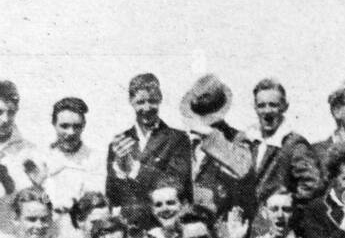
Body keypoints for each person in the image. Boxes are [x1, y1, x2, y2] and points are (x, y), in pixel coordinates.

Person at [105, 73, 192, 214]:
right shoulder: (120, 142)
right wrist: (119, 172)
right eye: (140, 102)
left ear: (160, 99)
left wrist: (133, 169)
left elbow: (176, 185)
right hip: (132, 226)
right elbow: (113, 197)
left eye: (152, 101)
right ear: (131, 101)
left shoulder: (178, 139)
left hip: (164, 220)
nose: (147, 108)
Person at [180, 74, 257, 220]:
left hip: (226, 223)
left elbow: (242, 168)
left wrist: (209, 133)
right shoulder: (188, 143)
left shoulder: (238, 139)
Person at [246, 78, 322, 224]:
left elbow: (313, 184)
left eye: (273, 105)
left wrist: (287, 209)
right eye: (261, 106)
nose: (267, 111)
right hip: (251, 226)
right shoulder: (251, 142)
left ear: (284, 107)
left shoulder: (294, 143)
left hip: (279, 226)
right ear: (255, 108)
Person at [44, 97, 104, 236]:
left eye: (76, 126)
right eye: (64, 126)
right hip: (48, 233)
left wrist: (72, 203)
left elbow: (97, 200)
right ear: (54, 124)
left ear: (84, 125)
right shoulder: (42, 157)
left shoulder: (96, 159)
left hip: (82, 234)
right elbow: (36, 196)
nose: (71, 132)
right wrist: (49, 203)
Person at [0, 80, 47, 234]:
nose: (5, 119)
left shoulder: (30, 153)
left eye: (11, 112)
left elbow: (45, 204)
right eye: (0, 112)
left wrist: (39, 187)